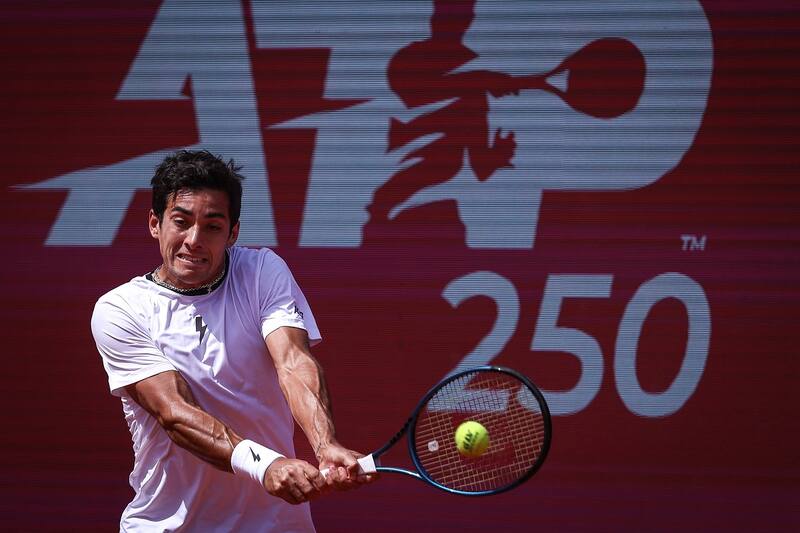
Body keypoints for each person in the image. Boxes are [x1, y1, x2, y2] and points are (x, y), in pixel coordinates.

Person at [91, 150, 372, 531]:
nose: (194, 240)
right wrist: (265, 465)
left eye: (212, 226)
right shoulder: (120, 309)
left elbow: (292, 362)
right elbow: (174, 414)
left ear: (232, 232)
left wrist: (325, 445)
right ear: (155, 224)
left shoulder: (261, 271)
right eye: (181, 222)